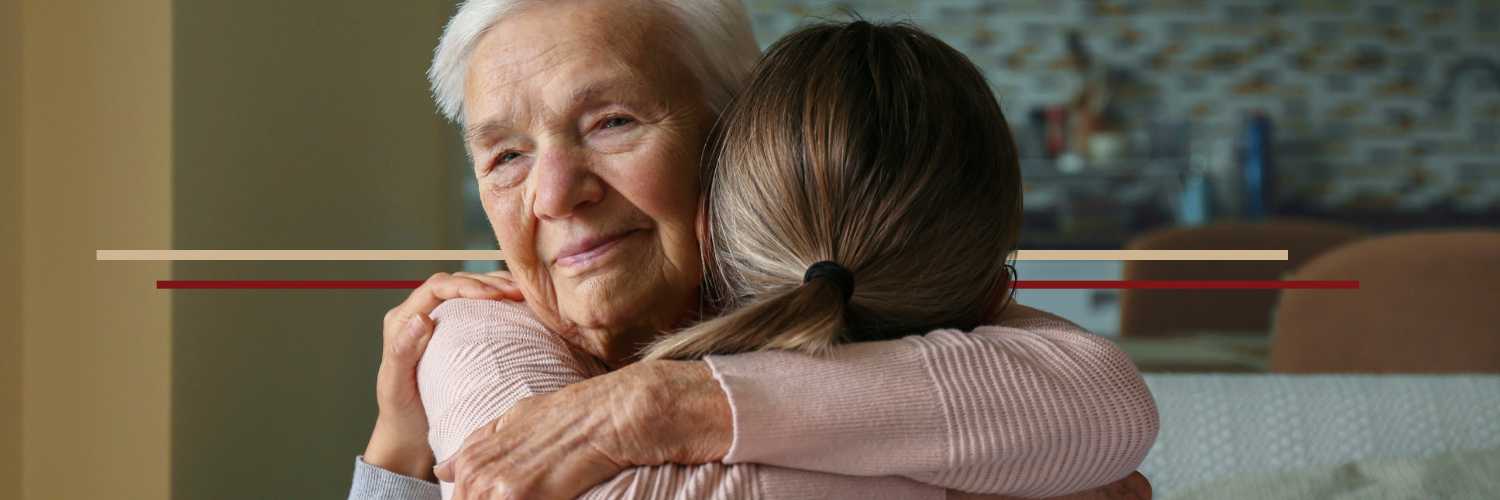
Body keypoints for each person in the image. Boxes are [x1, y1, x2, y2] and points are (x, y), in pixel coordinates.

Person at [349, 1, 1158, 499]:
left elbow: (1102, 401)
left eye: (613, 122)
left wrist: (662, 406)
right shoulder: (476, 330)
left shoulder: (857, 279)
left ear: (734, 135)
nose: (555, 195)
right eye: (506, 156)